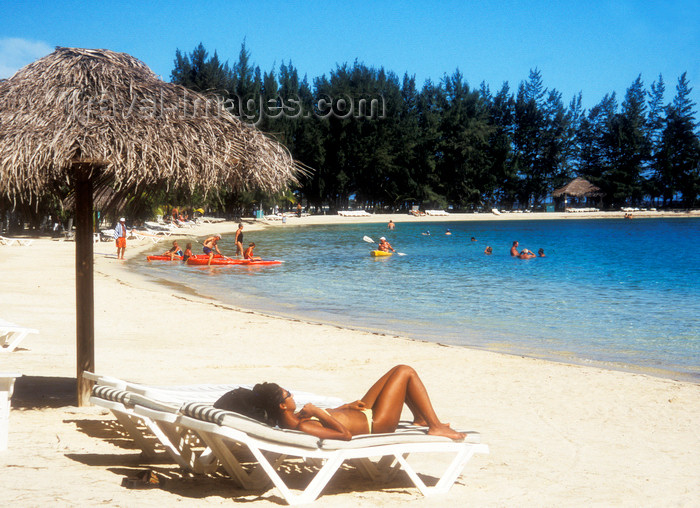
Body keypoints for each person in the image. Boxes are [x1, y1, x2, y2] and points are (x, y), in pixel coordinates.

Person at [214, 365, 465, 441]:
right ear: (282, 406)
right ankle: (433, 425)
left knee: (393, 373)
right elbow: (345, 435)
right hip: (376, 424)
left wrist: (345, 407)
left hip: (361, 413)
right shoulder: (302, 426)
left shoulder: (296, 417)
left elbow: (337, 418)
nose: (292, 395)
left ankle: (422, 417)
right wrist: (319, 413)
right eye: (287, 393)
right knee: (405, 372)